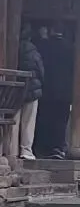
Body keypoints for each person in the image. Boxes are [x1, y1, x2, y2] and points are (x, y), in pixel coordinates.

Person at [37, 25, 73, 156]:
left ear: (51, 30)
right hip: (65, 91)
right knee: (61, 120)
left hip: (47, 90)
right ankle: (59, 146)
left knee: (45, 119)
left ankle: (44, 147)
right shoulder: (71, 48)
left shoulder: (45, 46)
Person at [16, 24, 44, 161]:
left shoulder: (13, 48)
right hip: (32, 89)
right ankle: (26, 150)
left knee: (14, 120)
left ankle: (11, 149)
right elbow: (41, 71)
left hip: (14, 89)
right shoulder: (34, 51)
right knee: (28, 121)